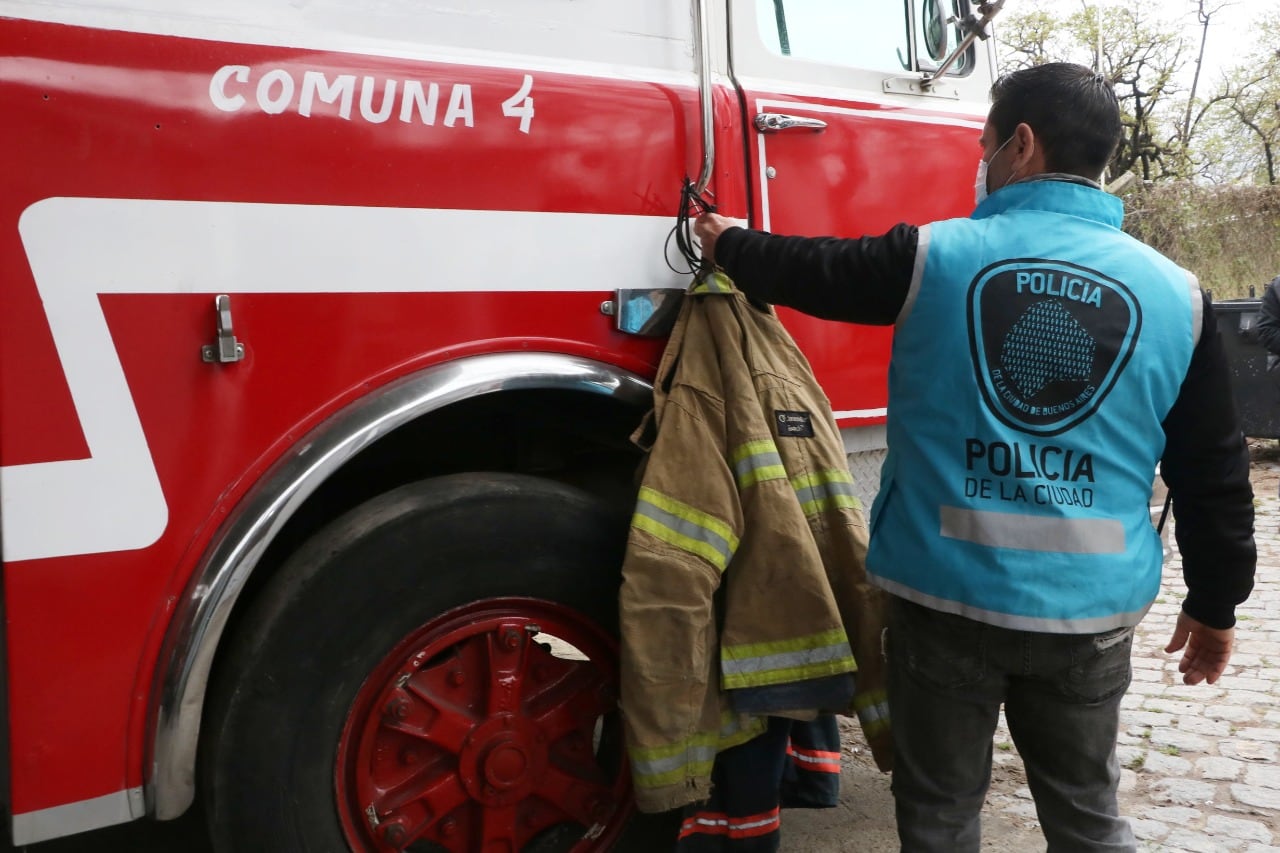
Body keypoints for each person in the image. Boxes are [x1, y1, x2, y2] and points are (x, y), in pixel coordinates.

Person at [692, 62, 1255, 852]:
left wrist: (731, 244)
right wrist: (1217, 602)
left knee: (940, 811)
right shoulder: (1178, 294)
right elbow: (1215, 471)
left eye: (985, 142)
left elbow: (812, 269)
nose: (981, 159)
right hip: (1089, 618)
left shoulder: (932, 257)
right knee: (1089, 814)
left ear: (1021, 145)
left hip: (943, 601)